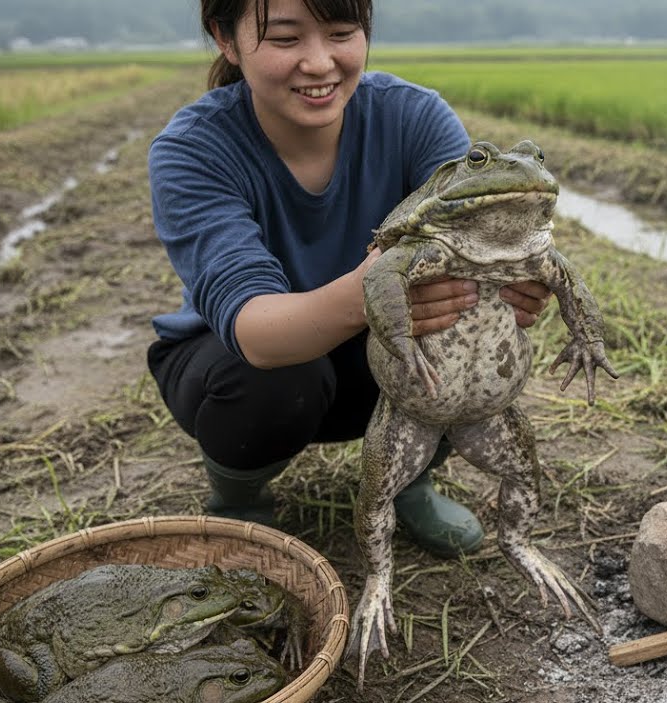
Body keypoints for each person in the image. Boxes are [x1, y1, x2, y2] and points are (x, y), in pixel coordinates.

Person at [145, 0, 552, 558]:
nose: (319, 63)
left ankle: (408, 480)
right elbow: (256, 328)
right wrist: (381, 287)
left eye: (341, 33)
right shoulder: (193, 150)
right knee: (276, 381)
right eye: (286, 39)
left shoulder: (412, 116)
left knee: (457, 330)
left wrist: (510, 290)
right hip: (247, 361)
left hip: (376, 352)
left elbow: (474, 239)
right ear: (225, 38)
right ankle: (239, 501)